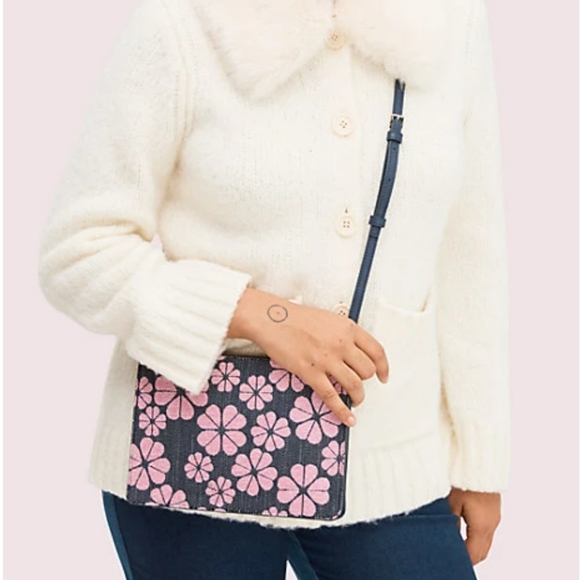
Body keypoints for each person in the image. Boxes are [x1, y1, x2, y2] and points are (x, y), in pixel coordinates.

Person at [37, 0, 511, 578]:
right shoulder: (181, 21)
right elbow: (78, 253)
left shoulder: (451, 21)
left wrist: (480, 462)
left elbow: (470, 257)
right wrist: (257, 314)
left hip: (391, 462)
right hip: (188, 459)